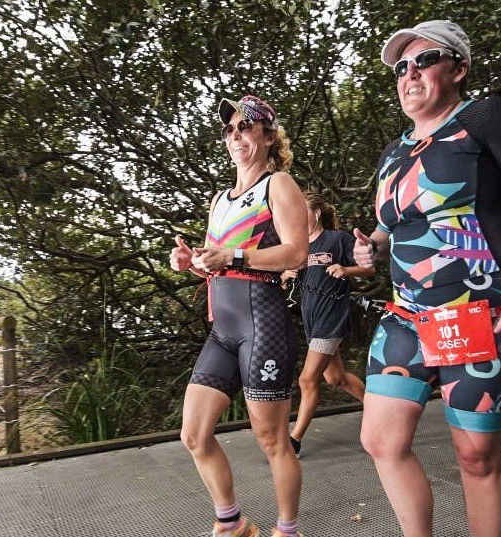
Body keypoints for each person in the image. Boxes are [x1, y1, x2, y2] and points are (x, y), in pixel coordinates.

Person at [352, 20, 501, 537]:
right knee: (381, 440)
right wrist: (369, 249)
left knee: (476, 455)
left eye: (424, 60)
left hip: (482, 311)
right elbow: (391, 229)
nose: (410, 74)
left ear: (458, 68)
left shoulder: (486, 117)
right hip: (407, 315)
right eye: (400, 67)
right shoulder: (393, 153)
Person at [170, 95, 308, 537]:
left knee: (272, 441)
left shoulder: (279, 185)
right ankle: (232, 523)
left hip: (263, 324)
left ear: (268, 136)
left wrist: (235, 253)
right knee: (193, 434)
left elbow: (297, 253)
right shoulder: (220, 199)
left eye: (245, 128)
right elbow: (220, 260)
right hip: (224, 328)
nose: (236, 136)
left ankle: (287, 531)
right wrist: (192, 261)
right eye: (229, 130)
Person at [282, 192, 374, 457]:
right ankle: (381, 412)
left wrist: (346, 270)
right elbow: (287, 279)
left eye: (303, 212)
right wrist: (285, 276)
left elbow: (368, 269)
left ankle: (295, 440)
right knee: (336, 378)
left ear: (317, 213)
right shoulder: (298, 247)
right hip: (312, 321)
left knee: (307, 379)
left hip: (331, 319)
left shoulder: (337, 239)